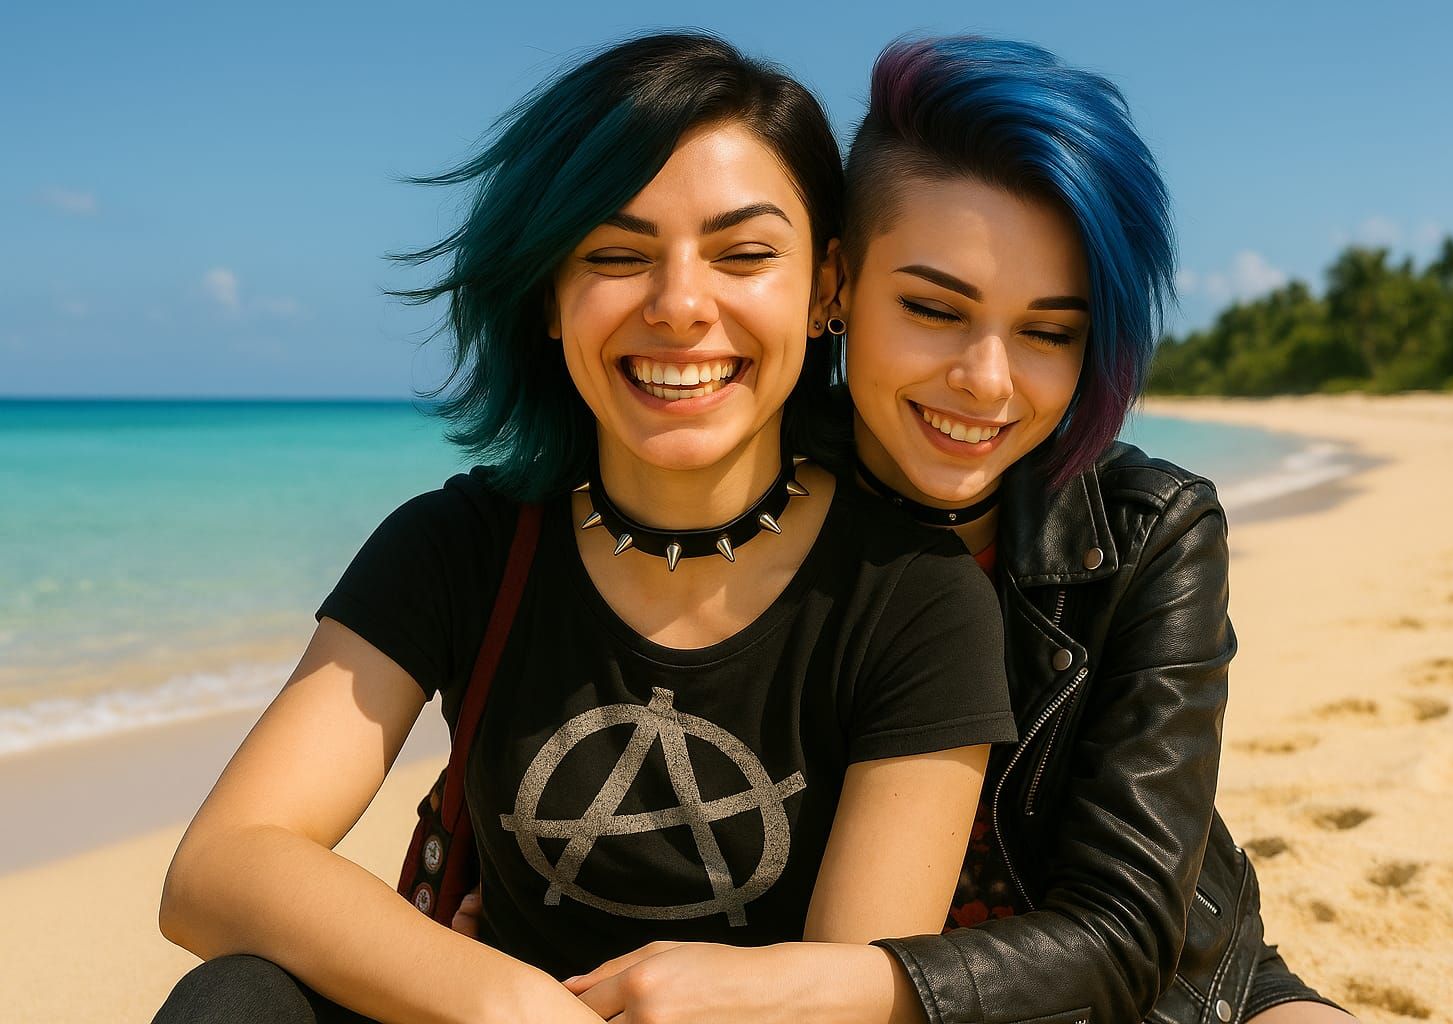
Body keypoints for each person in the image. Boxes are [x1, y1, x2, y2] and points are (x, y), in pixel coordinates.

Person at [151, 33, 1017, 1024]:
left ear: (826, 288)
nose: (681, 305)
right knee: (234, 997)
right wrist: (502, 1001)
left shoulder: (913, 598)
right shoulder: (460, 545)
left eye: (744, 254)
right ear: (551, 297)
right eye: (615, 255)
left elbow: (845, 992)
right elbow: (219, 865)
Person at [551, 37, 1352, 1024]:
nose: (986, 378)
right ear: (835, 289)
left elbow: (1130, 930)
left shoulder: (1150, 533)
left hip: (1160, 993)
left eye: (1049, 331)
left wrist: (821, 984)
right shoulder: (735, 480)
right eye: (934, 308)